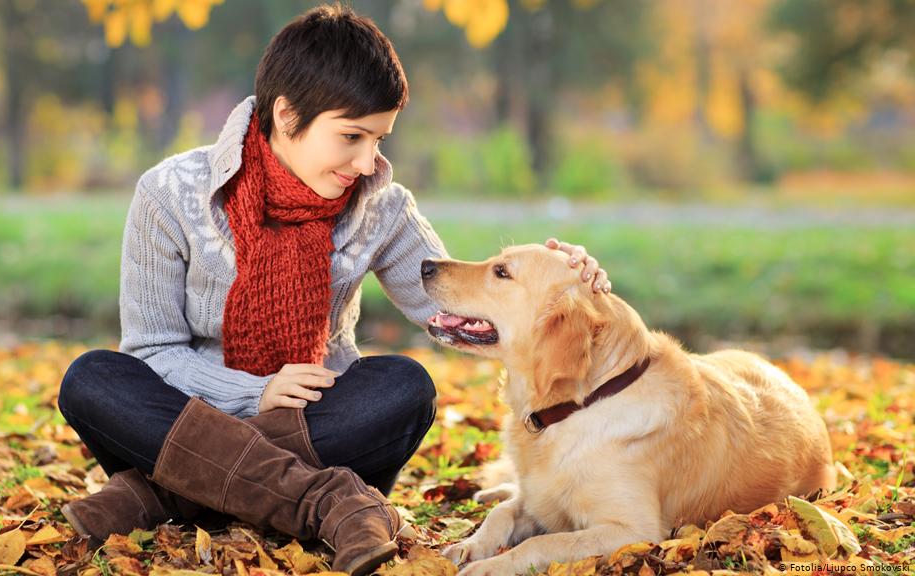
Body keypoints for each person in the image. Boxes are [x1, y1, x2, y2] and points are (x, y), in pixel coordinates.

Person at [56, 4, 610, 575]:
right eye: (351, 136)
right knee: (94, 380)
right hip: (198, 415)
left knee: (402, 387)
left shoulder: (381, 206)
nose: (368, 161)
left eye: (378, 138)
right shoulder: (171, 194)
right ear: (287, 113)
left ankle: (159, 495)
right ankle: (327, 503)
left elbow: (453, 300)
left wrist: (563, 283)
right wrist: (255, 393)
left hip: (302, 424)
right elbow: (152, 353)